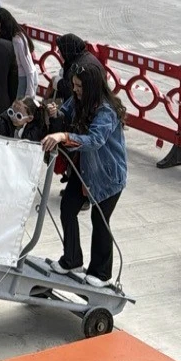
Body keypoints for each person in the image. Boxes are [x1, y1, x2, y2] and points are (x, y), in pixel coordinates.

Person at [42, 63, 129, 288]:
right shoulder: (79, 100)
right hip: (84, 170)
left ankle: (101, 273)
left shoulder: (106, 111)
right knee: (67, 208)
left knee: (100, 220)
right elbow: (66, 112)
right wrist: (56, 113)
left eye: (79, 86)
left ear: (90, 86)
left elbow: (94, 141)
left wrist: (63, 135)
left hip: (107, 175)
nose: (76, 90)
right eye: (74, 85)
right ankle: (72, 259)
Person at [0, 8, 38, 99]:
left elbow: (29, 69)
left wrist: (29, 94)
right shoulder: (9, 37)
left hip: (23, 79)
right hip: (16, 78)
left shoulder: (17, 40)